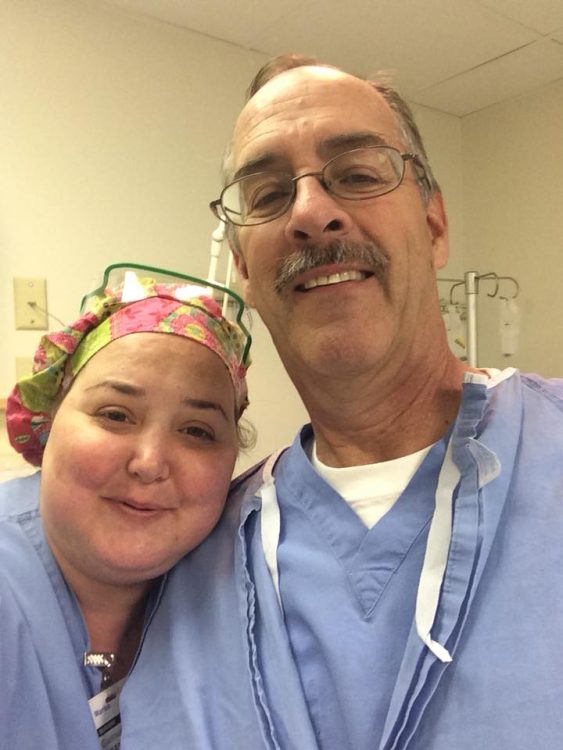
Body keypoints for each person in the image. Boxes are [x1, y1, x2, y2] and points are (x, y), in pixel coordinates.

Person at [121, 56, 563, 750]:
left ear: (433, 226)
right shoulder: (186, 553)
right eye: (266, 195)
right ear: (243, 265)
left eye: (356, 175)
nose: (309, 212)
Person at [0, 264, 251, 750]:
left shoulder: (239, 587)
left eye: (197, 431)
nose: (150, 462)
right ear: (48, 421)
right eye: (115, 415)